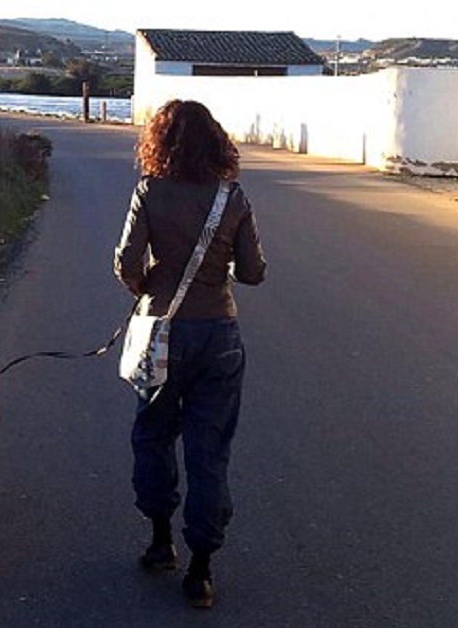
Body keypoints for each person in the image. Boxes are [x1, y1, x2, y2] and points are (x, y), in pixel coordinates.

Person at [113, 99, 267, 609]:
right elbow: (251, 272)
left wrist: (146, 289)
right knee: (209, 450)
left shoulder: (149, 191)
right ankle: (201, 570)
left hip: (162, 334)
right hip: (219, 335)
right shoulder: (233, 196)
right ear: (216, 142)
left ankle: (161, 542)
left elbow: (127, 263)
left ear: (160, 143)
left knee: (153, 434)